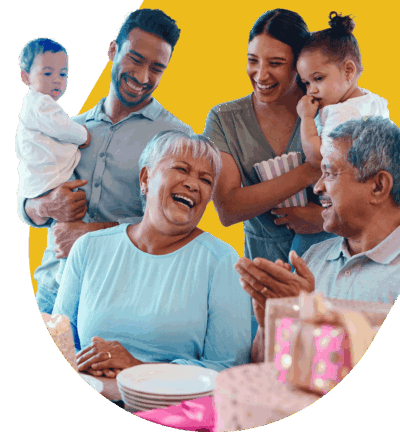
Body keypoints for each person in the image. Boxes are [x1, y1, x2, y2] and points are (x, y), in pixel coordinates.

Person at [17, 9, 193, 314]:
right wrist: (44, 206)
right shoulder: (68, 127)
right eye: (135, 59)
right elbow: (27, 199)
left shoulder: (177, 139)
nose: (143, 77)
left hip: (119, 301)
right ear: (113, 49)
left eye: (157, 68)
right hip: (51, 293)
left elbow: (180, 229)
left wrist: (95, 233)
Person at [234, 116, 400, 362]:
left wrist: (312, 316)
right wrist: (270, 324)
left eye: (329, 173)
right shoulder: (313, 258)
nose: (317, 187)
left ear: (379, 186)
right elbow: (264, 371)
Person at [53, 131, 251, 376]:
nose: (193, 184)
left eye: (206, 180)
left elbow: (227, 369)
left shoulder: (222, 261)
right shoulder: (88, 247)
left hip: (172, 410)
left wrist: (138, 369)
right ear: (146, 178)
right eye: (181, 169)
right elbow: (60, 342)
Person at [203, 8, 336, 267]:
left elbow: (368, 193)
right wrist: (309, 171)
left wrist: (324, 218)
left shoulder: (330, 111)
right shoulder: (224, 119)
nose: (261, 75)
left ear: (299, 64)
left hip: (331, 264)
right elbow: (228, 209)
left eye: (275, 63)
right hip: (263, 268)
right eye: (253, 60)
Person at [296, 12, 390, 170]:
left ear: (348, 71)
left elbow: (319, 158)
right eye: (306, 83)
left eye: (318, 78)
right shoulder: (373, 100)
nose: (311, 90)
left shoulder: (342, 113)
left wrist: (306, 117)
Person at [16, 37, 91, 200]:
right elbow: (63, 127)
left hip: (42, 181)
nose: (57, 80)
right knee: (72, 207)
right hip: (51, 180)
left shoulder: (33, 105)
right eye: (48, 73)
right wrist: (84, 135)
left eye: (63, 74)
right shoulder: (40, 104)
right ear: (26, 77)